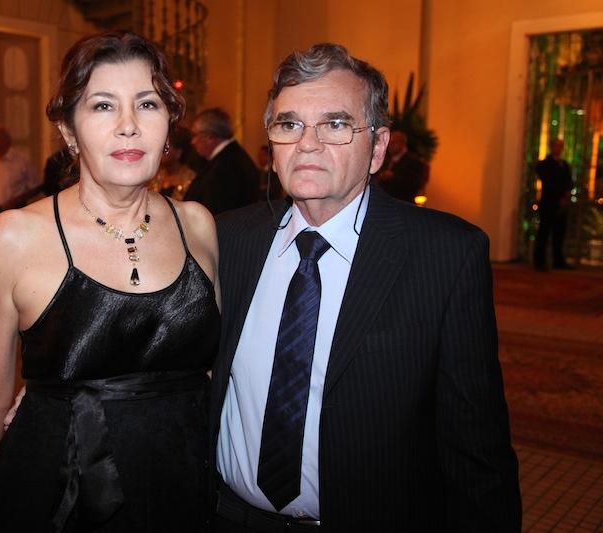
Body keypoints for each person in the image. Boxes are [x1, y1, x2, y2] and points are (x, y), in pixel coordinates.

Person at [211, 43, 521, 531]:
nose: (307, 143)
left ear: (377, 148)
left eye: (335, 124)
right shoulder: (226, 239)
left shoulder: (444, 255)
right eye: (289, 124)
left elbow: (475, 446)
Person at [0, 31, 220, 532]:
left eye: (147, 104)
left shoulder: (198, 225)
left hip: (183, 487)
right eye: (103, 106)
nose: (128, 125)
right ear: (69, 131)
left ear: (168, 125)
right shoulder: (15, 236)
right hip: (60, 494)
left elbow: (214, 370)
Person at [183, 107, 260, 214]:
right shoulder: (229, 157)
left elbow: (219, 213)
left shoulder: (227, 166)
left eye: (195, 135)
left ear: (209, 136)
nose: (193, 141)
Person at [533, 138, 574, 271]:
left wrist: (566, 195)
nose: (558, 148)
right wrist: (558, 196)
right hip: (548, 203)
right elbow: (549, 182)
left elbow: (569, 182)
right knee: (544, 233)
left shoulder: (565, 165)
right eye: (556, 145)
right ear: (551, 147)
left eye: (560, 146)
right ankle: (539, 261)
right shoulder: (544, 164)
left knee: (559, 234)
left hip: (561, 204)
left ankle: (558, 260)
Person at [0, 125, 41, 213]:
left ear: (7, 140)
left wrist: (17, 200)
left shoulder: (22, 160)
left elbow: (36, 186)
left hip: (15, 210)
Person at [376, 130, 428, 203]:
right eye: (389, 142)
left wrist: (393, 177)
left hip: (403, 202)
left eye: (394, 142)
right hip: (384, 201)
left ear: (402, 144)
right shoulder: (385, 158)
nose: (390, 145)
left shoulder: (413, 162)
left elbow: (415, 183)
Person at [150, 126, 196, 200]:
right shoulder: (155, 174)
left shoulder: (190, 179)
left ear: (178, 153)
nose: (160, 151)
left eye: (165, 148)